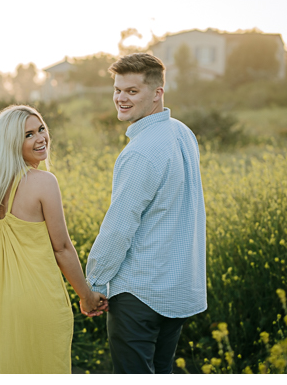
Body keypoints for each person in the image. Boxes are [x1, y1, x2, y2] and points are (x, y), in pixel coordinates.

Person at [86, 53, 206, 374]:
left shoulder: (140, 152)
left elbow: (119, 228)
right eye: (117, 90)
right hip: (176, 287)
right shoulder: (182, 133)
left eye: (132, 91)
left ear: (157, 93)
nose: (121, 99)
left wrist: (94, 283)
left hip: (139, 292)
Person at [0, 105, 106, 373]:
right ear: (11, 144)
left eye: (41, 129)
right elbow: (63, 249)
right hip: (40, 300)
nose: (41, 138)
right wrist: (86, 296)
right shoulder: (43, 182)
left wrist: (0, 293)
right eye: (28, 134)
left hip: (0, 305)